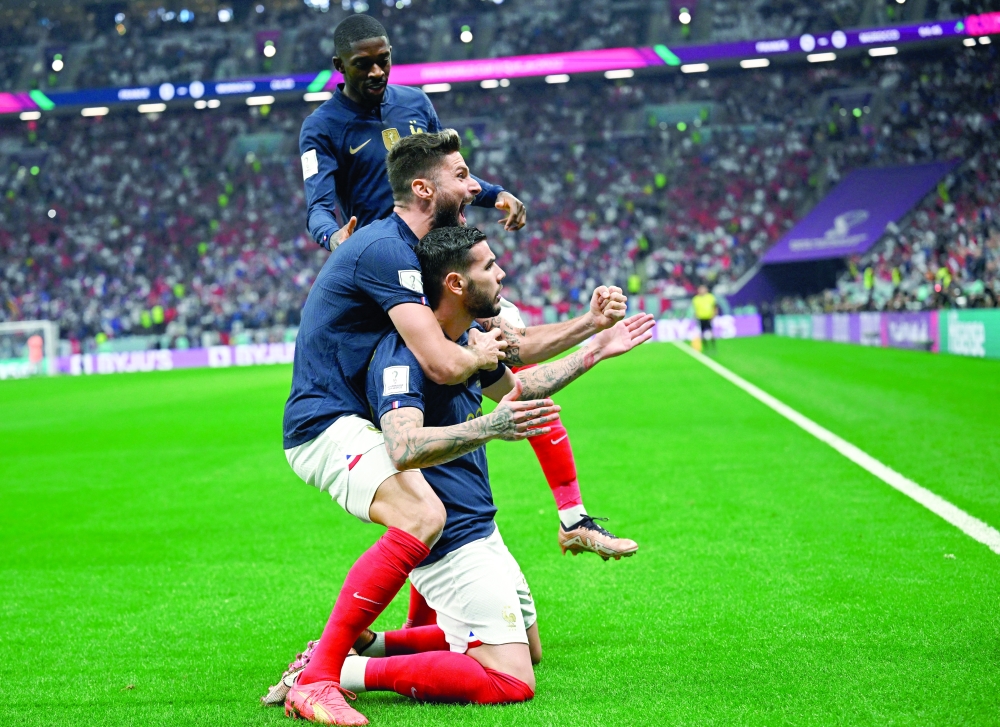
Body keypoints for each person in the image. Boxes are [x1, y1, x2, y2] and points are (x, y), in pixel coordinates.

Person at [280, 130, 628, 725]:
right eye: (464, 177)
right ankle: (320, 676)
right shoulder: (389, 252)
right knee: (424, 516)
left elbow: (511, 365)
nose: (475, 188)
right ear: (423, 188)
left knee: (514, 632)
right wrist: (493, 397)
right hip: (326, 418)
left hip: (360, 416)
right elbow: (446, 364)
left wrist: (589, 336)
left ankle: (360, 652)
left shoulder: (418, 260)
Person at [300, 14, 636, 569]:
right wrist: (330, 235)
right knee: (483, 389)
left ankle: (573, 517)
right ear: (340, 68)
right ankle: (562, 523)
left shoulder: (415, 104)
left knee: (510, 360)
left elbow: (452, 174)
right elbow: (317, 202)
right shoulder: (322, 127)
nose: (379, 70)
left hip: (441, 259)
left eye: (385, 57)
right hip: (393, 278)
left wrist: (495, 193)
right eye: (365, 63)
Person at [692, 285, 719, 351]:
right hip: (701, 318)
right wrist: (695, 316)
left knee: (711, 332)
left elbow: (715, 306)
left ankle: (713, 347)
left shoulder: (710, 297)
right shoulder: (696, 299)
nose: (701, 291)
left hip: (708, 317)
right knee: (702, 333)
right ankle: (706, 347)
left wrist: (714, 315)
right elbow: (695, 309)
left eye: (703, 289)